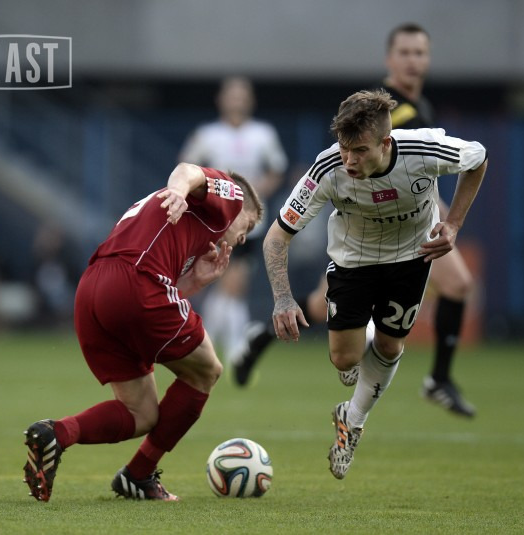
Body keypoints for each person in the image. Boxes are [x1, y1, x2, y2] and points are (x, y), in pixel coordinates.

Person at [239, 23, 477, 419]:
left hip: (406, 224)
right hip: (365, 224)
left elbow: (420, 174)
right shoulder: (390, 113)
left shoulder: (421, 107)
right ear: (389, 59)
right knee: (334, 309)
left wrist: (444, 216)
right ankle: (435, 378)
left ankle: (436, 378)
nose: (413, 61)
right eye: (405, 52)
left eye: (420, 53)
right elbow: (373, 169)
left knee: (454, 285)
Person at [263, 89, 487, 479]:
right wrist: (282, 298)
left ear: (386, 143)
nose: (349, 159)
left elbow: (479, 158)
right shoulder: (327, 167)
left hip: (411, 259)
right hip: (353, 261)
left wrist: (453, 224)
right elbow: (277, 236)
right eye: (344, 148)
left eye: (360, 150)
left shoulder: (423, 150)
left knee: (389, 345)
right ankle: (360, 346)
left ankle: (352, 421)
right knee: (344, 359)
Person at [22, 163, 262, 502]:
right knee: (207, 370)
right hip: (135, 281)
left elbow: (148, 293)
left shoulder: (189, 224)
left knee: (142, 413)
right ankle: (139, 474)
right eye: (248, 226)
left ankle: (56, 434)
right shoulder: (231, 196)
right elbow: (188, 170)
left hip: (93, 290)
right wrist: (178, 191)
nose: (243, 237)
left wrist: (194, 282)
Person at [179, 76, 287, 375]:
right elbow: (187, 165)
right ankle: (227, 344)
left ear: (250, 100)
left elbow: (276, 169)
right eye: (231, 95)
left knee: (234, 284)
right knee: (224, 282)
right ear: (221, 99)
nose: (236, 100)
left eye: (242, 95)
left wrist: (254, 194)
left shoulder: (263, 133)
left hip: (250, 223)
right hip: (214, 219)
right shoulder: (207, 134)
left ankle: (209, 341)